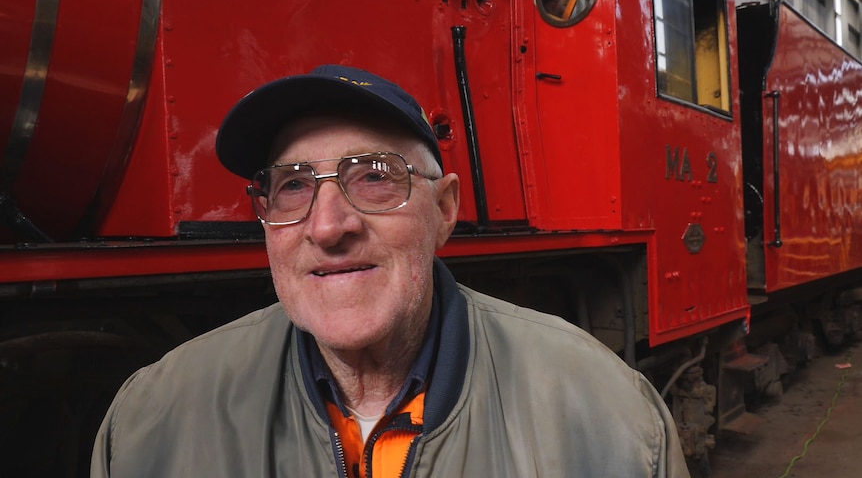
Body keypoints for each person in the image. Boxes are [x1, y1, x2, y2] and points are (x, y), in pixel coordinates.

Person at [91, 64, 689, 477]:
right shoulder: (152, 421)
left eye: (374, 177)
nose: (327, 227)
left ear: (445, 211)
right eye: (293, 185)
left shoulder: (607, 415)